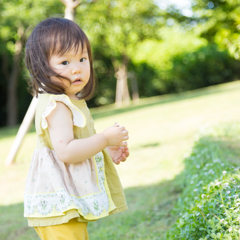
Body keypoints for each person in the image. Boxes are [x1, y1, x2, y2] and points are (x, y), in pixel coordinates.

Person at [24, 17, 130, 240]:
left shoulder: (68, 101)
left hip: (63, 202)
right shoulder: (57, 105)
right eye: (64, 63)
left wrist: (105, 149)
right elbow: (67, 152)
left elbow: (77, 142)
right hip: (57, 202)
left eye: (82, 59)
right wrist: (103, 139)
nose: (76, 69)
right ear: (41, 66)